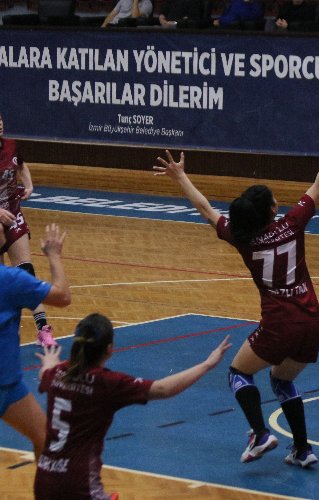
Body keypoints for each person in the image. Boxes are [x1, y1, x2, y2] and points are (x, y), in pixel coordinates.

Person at [153, 114, 319, 467]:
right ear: (272, 209)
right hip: (312, 321)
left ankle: (260, 433)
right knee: (281, 381)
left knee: (238, 373)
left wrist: (180, 177)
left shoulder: (241, 238)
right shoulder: (292, 224)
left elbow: (205, 209)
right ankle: (302, 449)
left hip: (279, 324)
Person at [33, 314, 231, 499]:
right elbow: (163, 389)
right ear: (109, 348)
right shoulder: (107, 383)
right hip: (79, 483)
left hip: (44, 479)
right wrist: (207, 364)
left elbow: (45, 374)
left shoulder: (56, 374)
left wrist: (49, 363)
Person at [0, 224, 70, 459]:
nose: (4, 227)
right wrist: (54, 255)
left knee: (46, 439)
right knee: (47, 441)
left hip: (9, 388)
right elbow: (63, 296)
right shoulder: (10, 280)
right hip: (5, 384)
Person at [0, 111, 58, 347]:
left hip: (13, 213)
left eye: (0, 119)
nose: (0, 124)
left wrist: (29, 185)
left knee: (26, 273)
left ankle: (43, 330)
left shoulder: (11, 145)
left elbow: (21, 166)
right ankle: (6, 332)